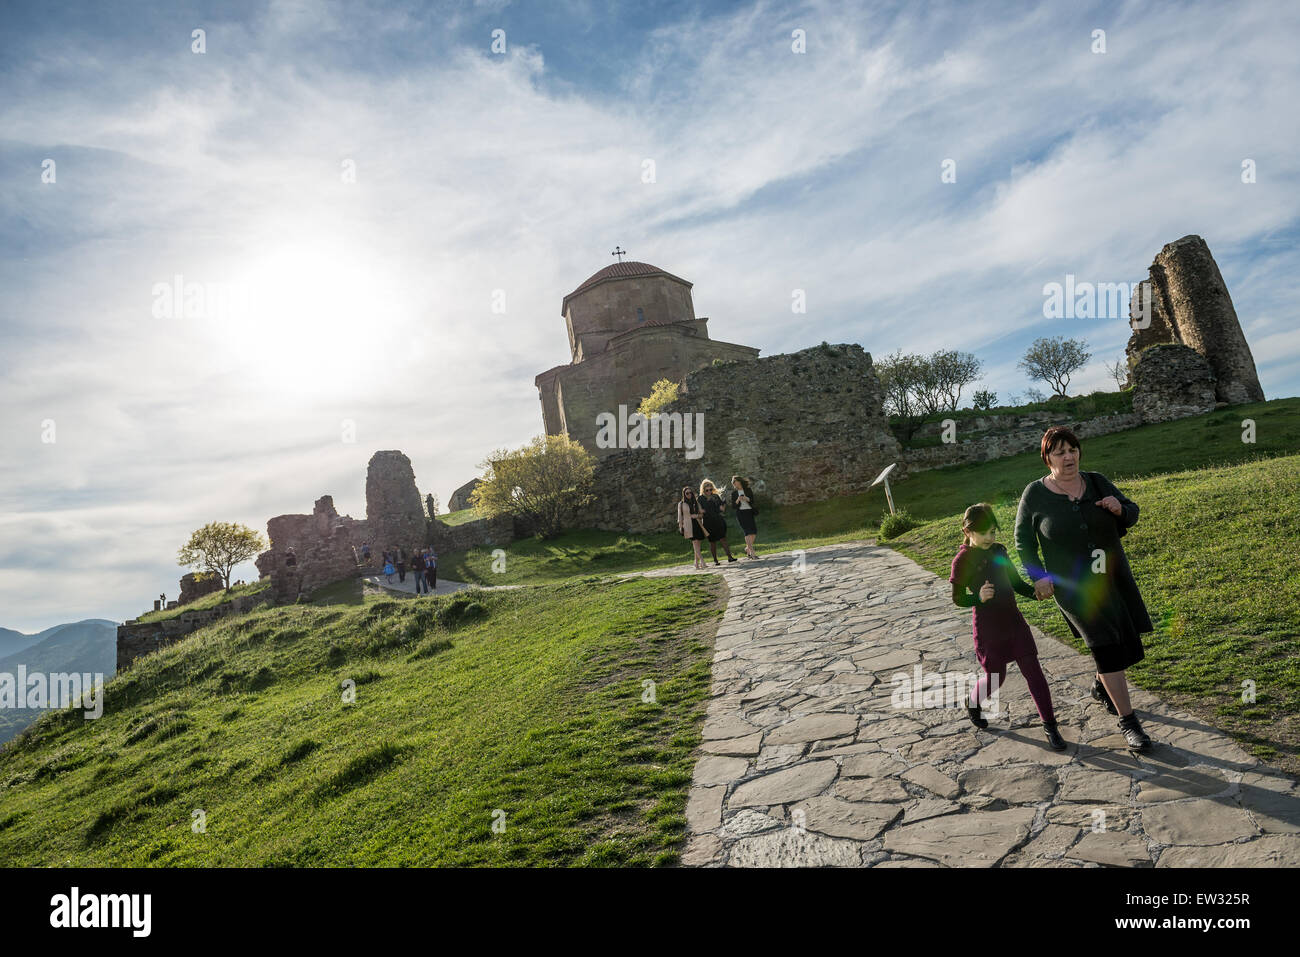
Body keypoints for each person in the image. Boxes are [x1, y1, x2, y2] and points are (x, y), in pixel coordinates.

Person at [1014, 426, 1154, 751]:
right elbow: (1023, 540)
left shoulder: (1097, 481)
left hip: (1110, 578)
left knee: (1124, 646)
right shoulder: (1035, 493)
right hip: (1071, 587)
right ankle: (1129, 722)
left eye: (1073, 449)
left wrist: (1120, 509)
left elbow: (1132, 511)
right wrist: (1038, 575)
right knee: (1104, 644)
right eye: (1060, 452)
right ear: (1047, 458)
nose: (1069, 456)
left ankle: (1101, 685)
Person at [951, 503, 1065, 751]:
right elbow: (958, 598)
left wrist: (1037, 593)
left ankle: (1050, 726)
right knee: (995, 678)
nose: (989, 538)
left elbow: (1015, 582)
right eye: (984, 533)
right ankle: (972, 702)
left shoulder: (999, 551)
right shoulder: (962, 561)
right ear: (967, 531)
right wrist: (977, 598)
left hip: (1014, 622)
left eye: (993, 532)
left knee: (1034, 672)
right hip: (988, 628)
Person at [698, 479, 737, 564]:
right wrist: (702, 510)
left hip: (718, 520)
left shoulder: (715, 496)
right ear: (703, 490)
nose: (709, 491)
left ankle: (730, 557)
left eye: (710, 489)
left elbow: (721, 510)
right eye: (707, 490)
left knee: (723, 539)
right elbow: (700, 510)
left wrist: (724, 504)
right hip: (708, 522)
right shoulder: (700, 498)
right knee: (712, 542)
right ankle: (715, 560)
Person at [729, 475, 760, 559]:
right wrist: (738, 499)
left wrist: (746, 498)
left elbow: (752, 500)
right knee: (747, 532)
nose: (734, 483)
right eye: (733, 482)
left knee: (753, 532)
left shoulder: (748, 490)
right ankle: (752, 553)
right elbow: (733, 506)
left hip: (749, 512)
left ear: (739, 481)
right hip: (740, 514)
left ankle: (747, 548)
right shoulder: (734, 493)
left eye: (735, 481)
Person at [677, 487, 707, 570]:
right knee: (695, 543)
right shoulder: (681, 504)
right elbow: (680, 516)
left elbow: (701, 513)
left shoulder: (695, 502)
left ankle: (696, 563)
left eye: (690, 493)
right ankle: (702, 561)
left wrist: (697, 515)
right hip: (688, 525)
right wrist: (680, 527)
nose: (689, 494)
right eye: (687, 493)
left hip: (697, 524)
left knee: (697, 545)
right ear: (684, 494)